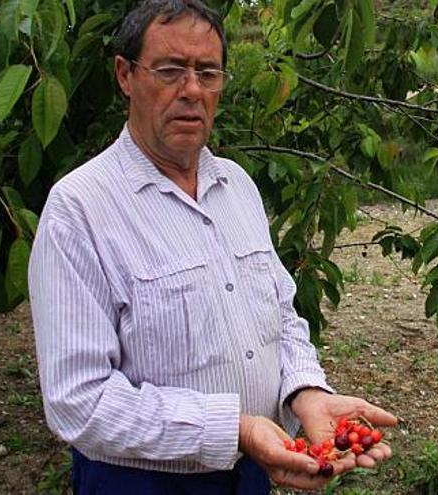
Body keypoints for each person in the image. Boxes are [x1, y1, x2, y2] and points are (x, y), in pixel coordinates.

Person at [27, 0, 397, 493]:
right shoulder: (79, 209)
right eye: (170, 70)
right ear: (125, 74)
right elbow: (79, 400)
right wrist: (234, 429)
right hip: (138, 481)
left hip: (251, 472)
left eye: (208, 72)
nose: (192, 91)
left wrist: (306, 393)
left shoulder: (237, 187)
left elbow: (280, 314)